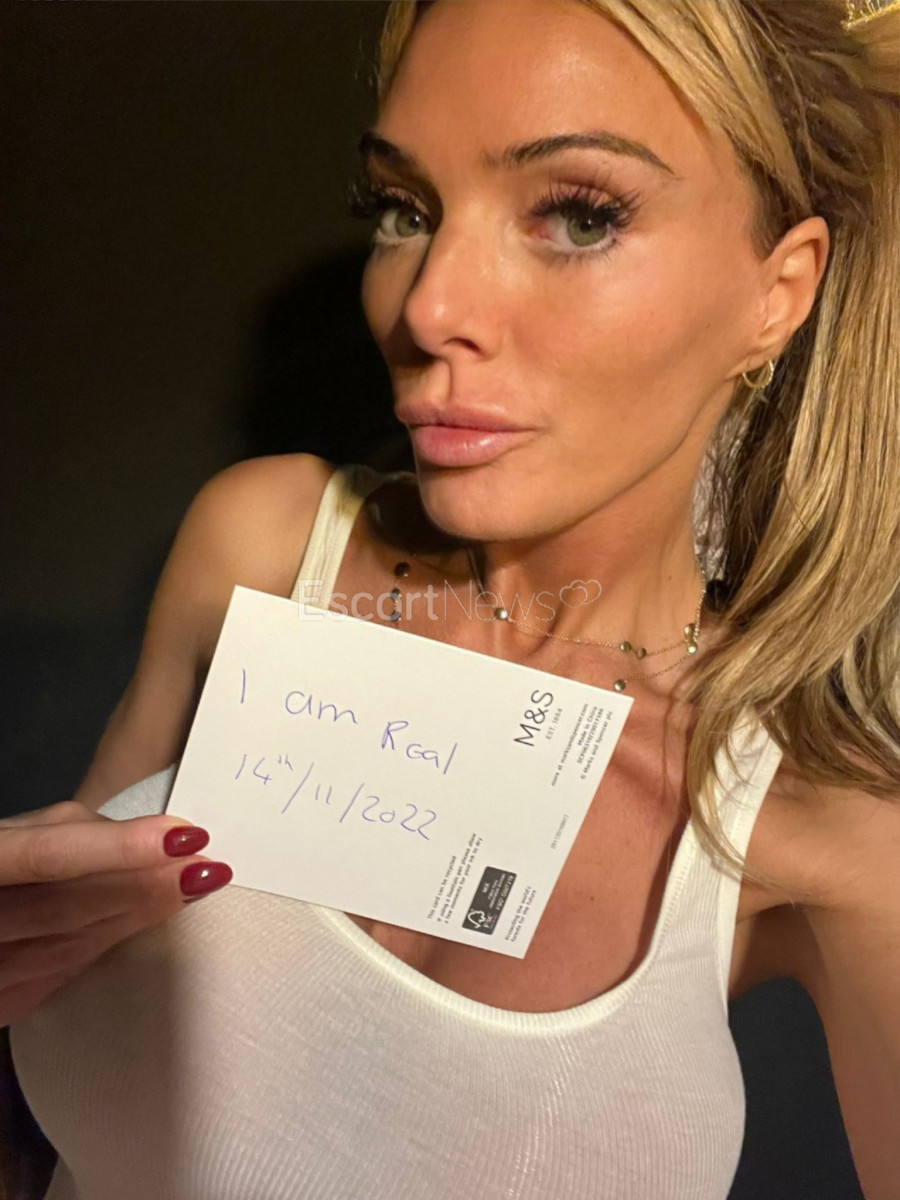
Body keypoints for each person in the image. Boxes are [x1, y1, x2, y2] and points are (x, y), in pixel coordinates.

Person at [3, 0, 899, 1196]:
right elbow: (35, 1077)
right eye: (404, 209)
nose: (426, 310)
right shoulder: (259, 548)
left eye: (578, 215)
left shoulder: (816, 814)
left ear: (776, 292)